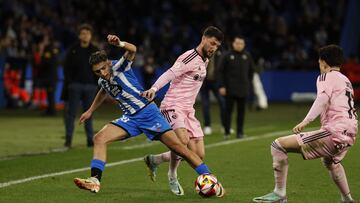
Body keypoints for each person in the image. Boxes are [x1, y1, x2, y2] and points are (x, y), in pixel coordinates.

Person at [73, 35, 225, 197]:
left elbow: (133, 50)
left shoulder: (120, 66)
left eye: (103, 68)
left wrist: (120, 43)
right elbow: (103, 91)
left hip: (148, 113)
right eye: (97, 71)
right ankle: (95, 180)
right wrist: (90, 111)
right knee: (99, 138)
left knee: (180, 148)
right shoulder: (102, 80)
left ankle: (210, 177)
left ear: (108, 63)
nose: (102, 73)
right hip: (130, 118)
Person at [253, 45, 357, 203]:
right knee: (330, 161)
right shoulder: (346, 80)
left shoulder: (326, 76)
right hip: (350, 133)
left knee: (278, 145)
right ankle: (347, 199)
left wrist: (306, 121)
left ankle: (279, 194)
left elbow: (322, 99)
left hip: (334, 132)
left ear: (323, 62)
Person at [141, 26, 224, 195]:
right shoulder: (189, 57)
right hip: (172, 105)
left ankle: (155, 160)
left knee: (198, 154)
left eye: (217, 46)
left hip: (188, 110)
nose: (214, 48)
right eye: (212, 43)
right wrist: (154, 89)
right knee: (182, 141)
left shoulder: (205, 60)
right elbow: (170, 73)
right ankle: (172, 175)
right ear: (203, 38)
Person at [62, 24, 99, 148]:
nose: (85, 36)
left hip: (90, 86)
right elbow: (66, 67)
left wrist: (95, 83)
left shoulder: (95, 50)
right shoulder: (73, 49)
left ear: (91, 36)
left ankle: (90, 140)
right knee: (71, 114)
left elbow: (101, 67)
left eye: (87, 34)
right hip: (75, 86)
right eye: (83, 33)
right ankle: (68, 140)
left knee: (88, 113)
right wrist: (70, 82)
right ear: (79, 35)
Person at [218, 35, 255, 139]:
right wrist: (222, 86)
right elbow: (220, 72)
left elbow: (251, 71)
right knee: (228, 111)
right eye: (237, 43)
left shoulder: (247, 56)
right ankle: (226, 132)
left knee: (241, 112)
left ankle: (240, 132)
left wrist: (248, 83)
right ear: (233, 44)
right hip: (229, 89)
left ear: (244, 45)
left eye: (241, 43)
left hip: (243, 89)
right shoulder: (227, 55)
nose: (239, 45)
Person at [200, 52, 226, 135]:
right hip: (204, 83)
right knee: (205, 105)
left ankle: (225, 125)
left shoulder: (221, 54)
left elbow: (223, 70)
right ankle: (207, 126)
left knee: (223, 103)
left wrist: (223, 84)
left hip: (216, 82)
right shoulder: (202, 53)